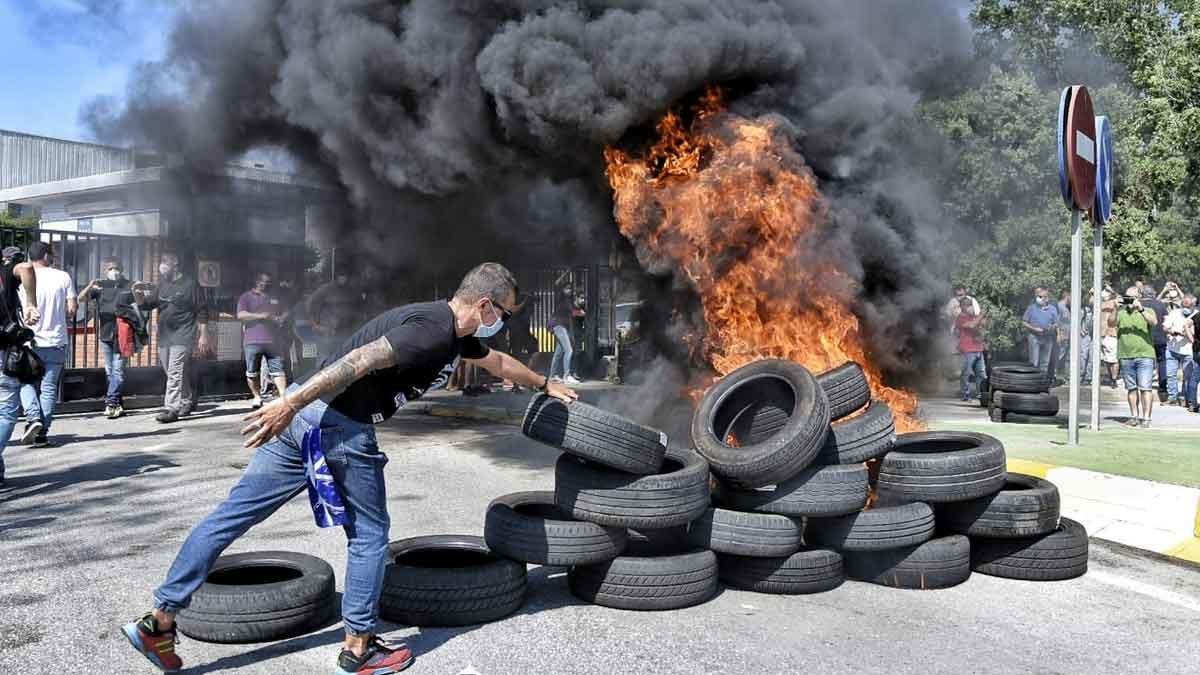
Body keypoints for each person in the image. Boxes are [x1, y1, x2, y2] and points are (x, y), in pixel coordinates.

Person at [121, 262, 577, 674]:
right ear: (484, 304)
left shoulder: (451, 333)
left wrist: (543, 383)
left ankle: (158, 621)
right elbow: (357, 361)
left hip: (306, 418)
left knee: (232, 515)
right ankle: (359, 648)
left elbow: (496, 361)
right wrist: (288, 403)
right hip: (336, 422)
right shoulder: (432, 331)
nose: (506, 323)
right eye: (507, 313)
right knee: (370, 535)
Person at [136, 251, 213, 424]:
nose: (161, 266)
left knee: (175, 370)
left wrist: (204, 335)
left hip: (184, 334)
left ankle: (171, 408)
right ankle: (187, 399)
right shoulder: (162, 284)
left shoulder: (190, 284)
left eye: (164, 262)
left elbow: (202, 310)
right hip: (165, 335)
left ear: (175, 264)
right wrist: (138, 293)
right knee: (171, 371)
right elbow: (146, 306)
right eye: (160, 262)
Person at [18, 242, 76, 448]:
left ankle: (33, 417)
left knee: (25, 382)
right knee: (49, 388)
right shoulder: (63, 277)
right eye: (51, 254)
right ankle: (42, 432)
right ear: (46, 256)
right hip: (57, 340)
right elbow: (72, 309)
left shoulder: (22, 276)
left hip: (29, 341)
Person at [78, 257, 138, 418]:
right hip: (105, 333)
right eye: (110, 269)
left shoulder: (129, 285)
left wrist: (139, 290)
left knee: (118, 369)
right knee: (110, 371)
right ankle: (118, 404)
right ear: (105, 271)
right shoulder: (100, 287)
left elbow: (141, 302)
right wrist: (90, 285)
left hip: (123, 333)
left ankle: (111, 402)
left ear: (122, 269)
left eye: (116, 268)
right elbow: (81, 298)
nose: (114, 271)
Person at [0, 249, 38, 486]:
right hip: (4, 352)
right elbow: (26, 267)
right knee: (5, 412)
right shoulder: (5, 271)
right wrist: (31, 303)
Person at [237, 272, 289, 409]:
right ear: (256, 281)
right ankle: (257, 397)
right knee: (252, 372)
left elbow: (285, 310)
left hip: (273, 341)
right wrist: (260, 316)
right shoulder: (246, 297)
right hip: (252, 340)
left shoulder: (274, 297)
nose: (266, 283)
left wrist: (281, 318)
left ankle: (283, 397)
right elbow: (240, 315)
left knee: (278, 369)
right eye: (263, 281)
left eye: (268, 281)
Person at [1111, 286, 1158, 428]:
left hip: (1145, 355)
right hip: (1126, 355)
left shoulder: (1148, 311)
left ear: (1139, 297)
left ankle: (1147, 418)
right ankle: (1134, 416)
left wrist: (1141, 309)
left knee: (1145, 388)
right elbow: (1111, 323)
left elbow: (1154, 322)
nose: (1130, 300)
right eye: (1127, 297)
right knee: (1131, 388)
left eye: (1132, 297)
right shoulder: (1121, 312)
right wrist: (1114, 308)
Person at [307, 272, 361, 362]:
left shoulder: (350, 291)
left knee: (344, 360)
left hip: (345, 332)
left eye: (346, 276)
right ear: (337, 277)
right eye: (342, 276)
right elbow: (311, 304)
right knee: (326, 360)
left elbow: (357, 309)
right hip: (328, 334)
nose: (344, 279)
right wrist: (316, 323)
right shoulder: (326, 289)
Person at [549, 273, 582, 385]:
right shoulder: (560, 297)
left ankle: (552, 376)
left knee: (559, 353)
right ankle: (566, 376)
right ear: (563, 289)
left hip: (564, 327)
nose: (569, 290)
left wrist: (579, 312)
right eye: (567, 288)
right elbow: (557, 284)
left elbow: (573, 312)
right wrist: (566, 273)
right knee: (569, 350)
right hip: (558, 325)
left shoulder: (569, 300)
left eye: (570, 288)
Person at [1163, 291, 1193, 406]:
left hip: (1188, 350)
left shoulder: (1196, 315)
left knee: (1187, 376)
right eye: (1183, 305)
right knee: (1171, 374)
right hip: (1172, 348)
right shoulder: (1174, 313)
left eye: (1188, 306)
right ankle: (1172, 397)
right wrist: (1171, 331)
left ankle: (1185, 397)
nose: (1185, 308)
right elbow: (1165, 327)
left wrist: (1186, 333)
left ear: (1192, 305)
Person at [1140, 286, 1169, 402]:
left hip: (1144, 338)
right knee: (1162, 362)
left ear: (1142, 293)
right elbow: (1166, 320)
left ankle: (1144, 386)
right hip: (1160, 338)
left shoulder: (1139, 304)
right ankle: (1162, 390)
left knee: (1144, 361)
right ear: (1153, 293)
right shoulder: (1160, 304)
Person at [955, 297, 985, 401]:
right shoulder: (961, 318)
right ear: (962, 306)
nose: (969, 307)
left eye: (970, 304)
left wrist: (983, 316)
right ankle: (965, 394)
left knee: (980, 374)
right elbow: (972, 326)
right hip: (967, 349)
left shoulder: (974, 316)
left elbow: (984, 325)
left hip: (978, 348)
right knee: (966, 373)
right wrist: (981, 315)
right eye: (966, 305)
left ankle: (980, 393)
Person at [1021, 287, 1059, 370]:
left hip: (1048, 337)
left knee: (1045, 362)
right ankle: (1032, 381)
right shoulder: (1031, 308)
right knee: (1034, 361)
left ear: (1047, 298)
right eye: (1038, 296)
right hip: (1034, 337)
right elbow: (1024, 322)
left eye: (1041, 296)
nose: (1039, 298)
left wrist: (1051, 327)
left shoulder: (1053, 309)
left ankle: (1042, 380)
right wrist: (1034, 329)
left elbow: (1056, 323)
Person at [1100, 288, 1120, 388]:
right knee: (1106, 359)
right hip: (1101, 334)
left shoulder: (1114, 301)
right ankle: (1111, 376)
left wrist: (1112, 290)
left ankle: (1114, 379)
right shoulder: (1100, 303)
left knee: (1114, 359)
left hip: (1111, 333)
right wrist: (1092, 292)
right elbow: (1091, 301)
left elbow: (1120, 298)